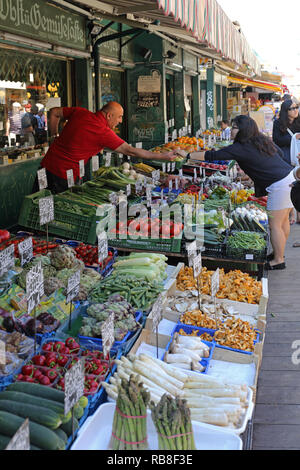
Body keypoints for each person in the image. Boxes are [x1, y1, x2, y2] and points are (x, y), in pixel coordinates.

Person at [193, 115, 296, 270]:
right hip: (290, 177)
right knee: (283, 222)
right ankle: (278, 253)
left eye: (234, 127)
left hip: (279, 185)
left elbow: (213, 156)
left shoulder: (240, 147)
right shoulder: (260, 140)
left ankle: (278, 260)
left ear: (242, 130)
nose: (232, 130)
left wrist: (188, 155)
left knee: (275, 225)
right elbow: (279, 155)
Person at [37, 102, 177, 194]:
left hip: (45, 166)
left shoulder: (81, 112)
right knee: (58, 207)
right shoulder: (103, 132)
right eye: (120, 117)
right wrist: (163, 156)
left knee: (38, 202)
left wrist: (54, 135)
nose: (121, 121)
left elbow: (54, 112)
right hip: (63, 175)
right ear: (109, 115)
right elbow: (130, 150)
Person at [272, 99, 300, 165]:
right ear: (286, 110)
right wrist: (293, 137)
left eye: (296, 107)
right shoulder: (278, 123)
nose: (296, 110)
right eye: (292, 108)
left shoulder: (299, 122)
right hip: (286, 156)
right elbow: (276, 140)